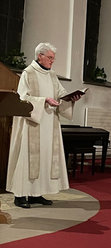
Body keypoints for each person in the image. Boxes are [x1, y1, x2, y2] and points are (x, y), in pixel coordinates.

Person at [7, 42, 81, 208]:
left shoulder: (52, 75)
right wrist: (43, 100)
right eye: (49, 58)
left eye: (53, 58)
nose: (52, 61)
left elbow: (61, 94)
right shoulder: (28, 73)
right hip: (32, 123)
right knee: (28, 159)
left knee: (44, 158)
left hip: (49, 124)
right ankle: (20, 196)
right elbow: (22, 98)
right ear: (39, 56)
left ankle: (36, 194)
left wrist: (71, 97)